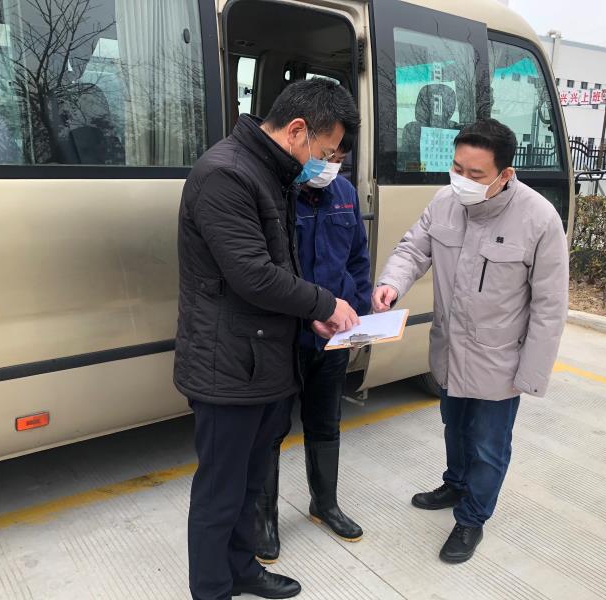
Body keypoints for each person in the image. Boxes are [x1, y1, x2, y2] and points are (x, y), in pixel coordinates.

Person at [174, 78, 361, 600]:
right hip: (228, 363)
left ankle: (241, 569)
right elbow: (253, 274)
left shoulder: (271, 171)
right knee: (220, 491)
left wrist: (309, 319)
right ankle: (212, 589)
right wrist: (325, 304)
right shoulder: (226, 174)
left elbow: (283, 264)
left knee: (251, 481)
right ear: (297, 129)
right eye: (325, 151)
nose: (326, 163)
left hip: (265, 358)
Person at [373, 118, 569, 564]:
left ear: (505, 174)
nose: (462, 179)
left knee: (488, 445)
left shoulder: (539, 219)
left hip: (499, 361)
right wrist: (391, 284)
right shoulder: (445, 201)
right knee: (455, 427)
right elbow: (413, 249)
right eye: (457, 168)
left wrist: (531, 374)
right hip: (449, 348)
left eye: (475, 173)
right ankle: (455, 483)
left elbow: (550, 307)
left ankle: (472, 518)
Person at [254, 132, 372, 564]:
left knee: (326, 423)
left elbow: (357, 260)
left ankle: (324, 503)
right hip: (285, 338)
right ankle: (263, 520)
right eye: (326, 154)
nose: (330, 164)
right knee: (269, 431)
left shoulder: (345, 195)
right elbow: (265, 273)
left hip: (334, 338)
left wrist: (359, 321)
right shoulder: (277, 194)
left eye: (339, 157)